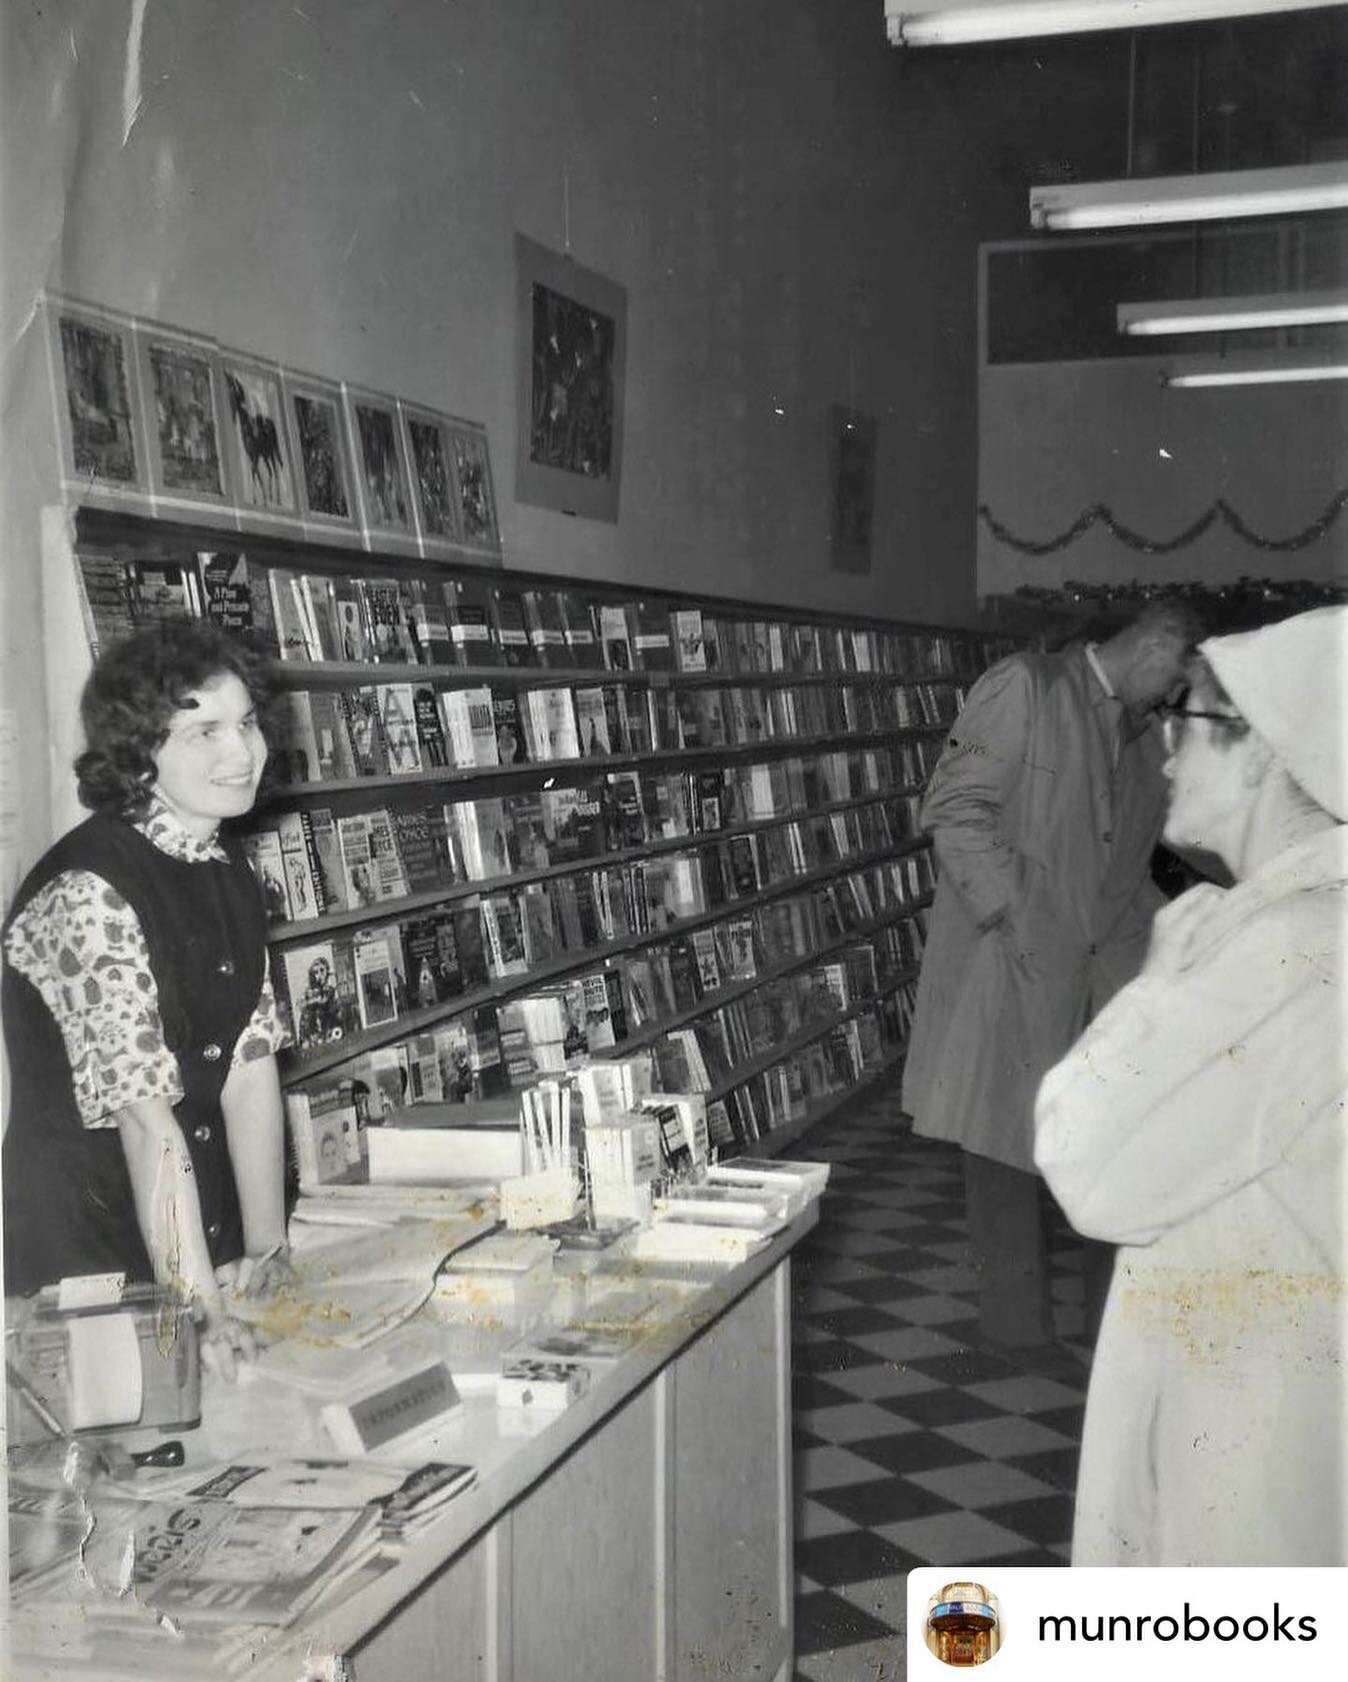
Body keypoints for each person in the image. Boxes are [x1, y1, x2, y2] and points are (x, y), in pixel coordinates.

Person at [1035, 606, 1346, 1565]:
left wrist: (1164, 980)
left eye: (1187, 720)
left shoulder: (1283, 947)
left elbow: (1082, 1157)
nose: (1165, 753)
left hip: (1251, 1411)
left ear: (1260, 751)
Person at [901, 600, 1199, 1350]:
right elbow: (951, 811)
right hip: (1008, 973)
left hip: (1098, 982)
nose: (1177, 695)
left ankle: (1109, 1342)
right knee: (1002, 1160)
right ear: (1158, 640)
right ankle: (1014, 1347)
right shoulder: (1022, 685)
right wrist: (1017, 917)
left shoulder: (1142, 741)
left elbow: (1122, 871)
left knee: (1112, 1153)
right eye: (1179, 674)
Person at [2, 620, 291, 1376]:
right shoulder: (88, 890)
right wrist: (200, 1313)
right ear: (140, 752)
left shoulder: (226, 866)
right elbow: (143, 1121)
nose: (243, 752)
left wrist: (266, 1256)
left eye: (248, 723)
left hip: (186, 1239)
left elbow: (249, 1068)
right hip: (87, 1257)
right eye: (205, 732)